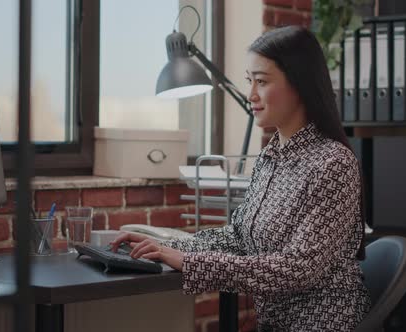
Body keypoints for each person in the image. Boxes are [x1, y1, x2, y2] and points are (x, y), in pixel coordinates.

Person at [111, 25, 370, 331]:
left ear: (299, 83)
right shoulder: (270, 158)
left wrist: (190, 263)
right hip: (276, 323)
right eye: (250, 81)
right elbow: (238, 237)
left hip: (321, 322)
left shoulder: (333, 163)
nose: (251, 95)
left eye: (261, 82)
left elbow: (297, 269)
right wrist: (169, 246)